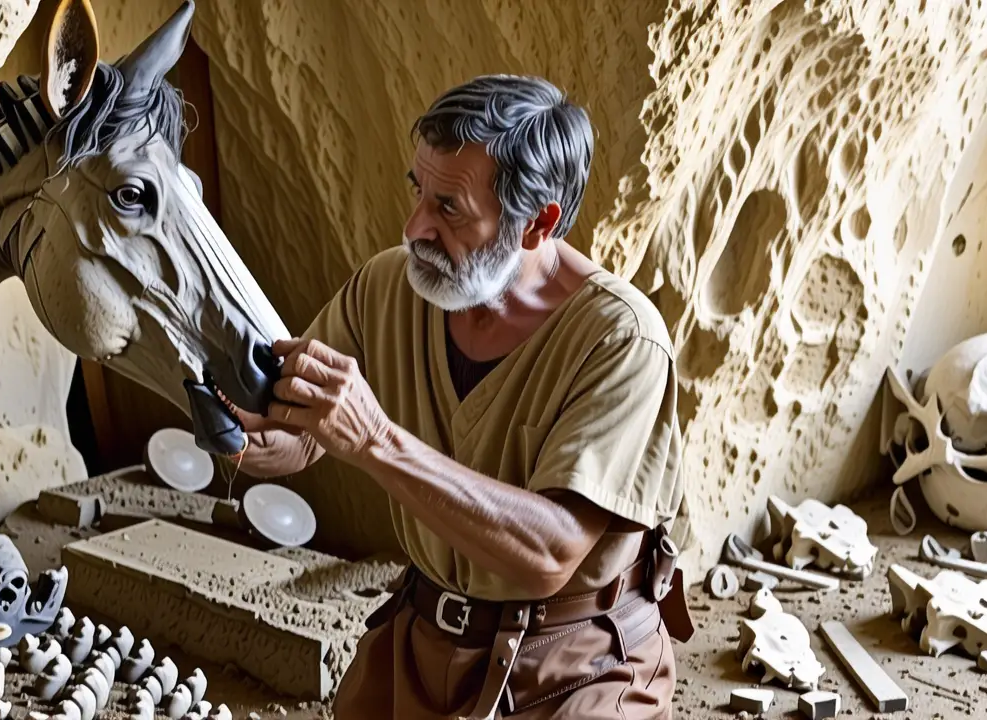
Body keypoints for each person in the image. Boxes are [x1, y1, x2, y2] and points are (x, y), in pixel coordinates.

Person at [225, 74, 693, 719]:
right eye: (419, 191)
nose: (414, 225)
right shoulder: (389, 285)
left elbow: (548, 554)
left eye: (450, 209)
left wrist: (376, 440)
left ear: (537, 224)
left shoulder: (621, 338)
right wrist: (234, 424)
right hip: (423, 642)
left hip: (575, 665)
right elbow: (295, 438)